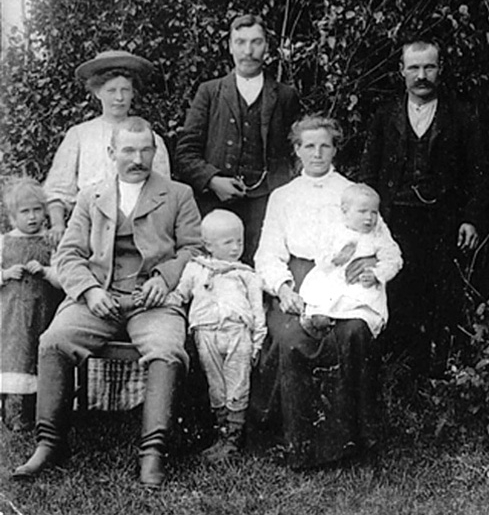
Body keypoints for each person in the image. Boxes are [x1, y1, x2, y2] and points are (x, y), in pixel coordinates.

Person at [13, 117, 202, 489]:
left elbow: (193, 249)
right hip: (98, 296)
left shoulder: (178, 194)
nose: (137, 159)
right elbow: (68, 255)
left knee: (166, 350)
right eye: (128, 150)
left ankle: (153, 451)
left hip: (152, 300)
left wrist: (164, 278)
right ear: (112, 152)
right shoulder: (91, 196)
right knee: (54, 341)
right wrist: (89, 290)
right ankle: (49, 443)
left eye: (145, 150)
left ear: (155, 151)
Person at [252, 116, 396, 470]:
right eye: (309, 146)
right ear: (297, 150)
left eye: (325, 146)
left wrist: (371, 268)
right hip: (299, 280)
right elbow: (268, 253)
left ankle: (351, 440)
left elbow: (381, 241)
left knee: (353, 332)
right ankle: (298, 443)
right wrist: (283, 288)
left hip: (348, 284)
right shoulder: (282, 196)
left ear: (334, 150)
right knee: (291, 338)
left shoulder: (353, 192)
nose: (317, 153)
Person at [44, 50, 171, 411]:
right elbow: (58, 189)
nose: (119, 97)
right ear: (97, 93)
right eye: (111, 90)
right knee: (68, 286)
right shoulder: (80, 134)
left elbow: (163, 196)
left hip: (136, 241)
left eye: (125, 90)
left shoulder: (149, 138)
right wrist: (58, 222)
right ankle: (63, 395)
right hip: (88, 236)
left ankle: (131, 399)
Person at [359, 37, 486, 376]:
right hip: (394, 217)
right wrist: (368, 217)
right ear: (401, 71)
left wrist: (471, 218)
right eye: (414, 67)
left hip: (442, 220)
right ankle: (396, 367)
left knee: (439, 292)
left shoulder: (461, 116)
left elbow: (478, 173)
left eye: (429, 67)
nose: (421, 76)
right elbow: (369, 171)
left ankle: (435, 368)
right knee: (396, 287)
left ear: (440, 69)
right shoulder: (385, 115)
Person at [174, 14, 301, 264]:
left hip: (268, 204)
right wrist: (212, 180)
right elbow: (185, 153)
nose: (248, 51)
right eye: (240, 42)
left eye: (256, 42)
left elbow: (297, 154)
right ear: (230, 46)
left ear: (267, 47)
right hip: (216, 204)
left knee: (266, 267)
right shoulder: (210, 92)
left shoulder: (285, 96)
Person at [167, 209, 266, 462]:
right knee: (216, 383)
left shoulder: (246, 274)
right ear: (208, 245)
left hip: (237, 333)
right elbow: (181, 293)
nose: (235, 248)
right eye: (227, 242)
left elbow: (257, 311)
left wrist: (257, 342)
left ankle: (234, 437)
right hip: (206, 332)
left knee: (238, 383)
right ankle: (220, 433)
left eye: (239, 241)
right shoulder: (195, 268)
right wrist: (171, 298)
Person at [299, 183, 402, 340]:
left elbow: (393, 258)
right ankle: (320, 318)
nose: (369, 218)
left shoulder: (378, 233)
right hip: (332, 280)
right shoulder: (335, 229)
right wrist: (336, 259)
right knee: (322, 300)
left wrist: (377, 274)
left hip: (361, 286)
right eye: (362, 211)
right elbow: (320, 257)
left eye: (374, 212)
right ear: (345, 211)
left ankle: (338, 321)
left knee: (360, 312)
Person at [0, 178, 62, 431]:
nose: (33, 217)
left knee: (40, 355)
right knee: (14, 356)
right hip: (12, 315)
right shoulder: (5, 242)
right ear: (12, 217)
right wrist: (5, 274)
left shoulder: (50, 241)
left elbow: (62, 276)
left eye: (37, 210)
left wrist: (45, 271)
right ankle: (12, 410)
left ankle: (37, 409)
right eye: (25, 212)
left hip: (43, 312)